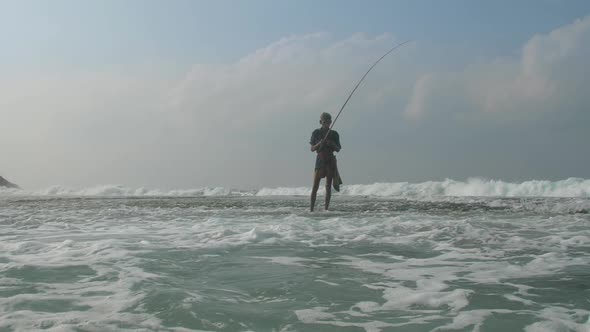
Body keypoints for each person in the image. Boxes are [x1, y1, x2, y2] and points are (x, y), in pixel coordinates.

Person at [309, 112, 342, 212]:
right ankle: (311, 210)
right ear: (320, 122)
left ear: (331, 122)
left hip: (330, 162)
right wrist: (320, 143)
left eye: (328, 122)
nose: (326, 124)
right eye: (324, 122)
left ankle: (326, 209)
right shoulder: (316, 133)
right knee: (315, 186)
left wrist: (331, 143)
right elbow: (312, 149)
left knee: (328, 186)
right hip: (319, 161)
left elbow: (338, 149)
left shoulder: (334, 134)